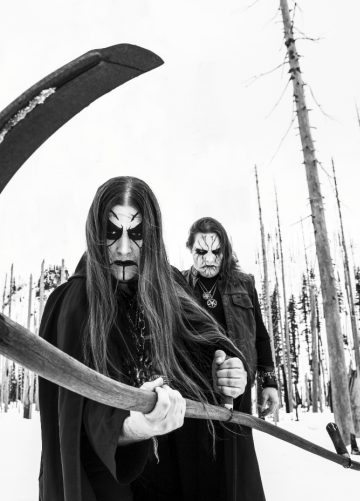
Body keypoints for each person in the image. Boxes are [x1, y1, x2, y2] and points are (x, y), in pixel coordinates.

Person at [38, 177, 251, 501]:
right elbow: (82, 416)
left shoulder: (171, 286)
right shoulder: (74, 303)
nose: (124, 248)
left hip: (180, 479)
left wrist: (229, 374)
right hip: (112, 485)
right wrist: (136, 425)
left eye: (136, 234)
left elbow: (209, 348)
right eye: (112, 232)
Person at [181, 217, 280, 498]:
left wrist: (269, 382)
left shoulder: (244, 284)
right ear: (190, 250)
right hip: (195, 390)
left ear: (225, 250)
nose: (209, 259)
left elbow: (261, 336)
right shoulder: (181, 286)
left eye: (216, 251)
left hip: (238, 389)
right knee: (201, 467)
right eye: (201, 251)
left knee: (238, 465)